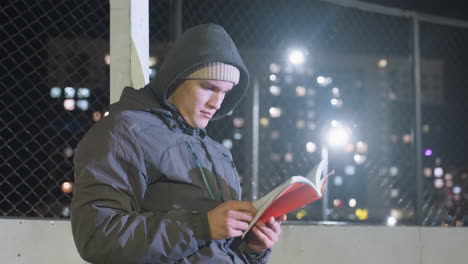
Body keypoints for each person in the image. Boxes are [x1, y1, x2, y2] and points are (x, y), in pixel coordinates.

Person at [71, 23, 286, 263]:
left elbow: (216, 250)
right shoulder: (122, 133)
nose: (217, 103)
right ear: (175, 80)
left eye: (226, 92)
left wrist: (252, 248)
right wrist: (199, 226)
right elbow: (97, 237)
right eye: (208, 87)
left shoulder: (217, 152)